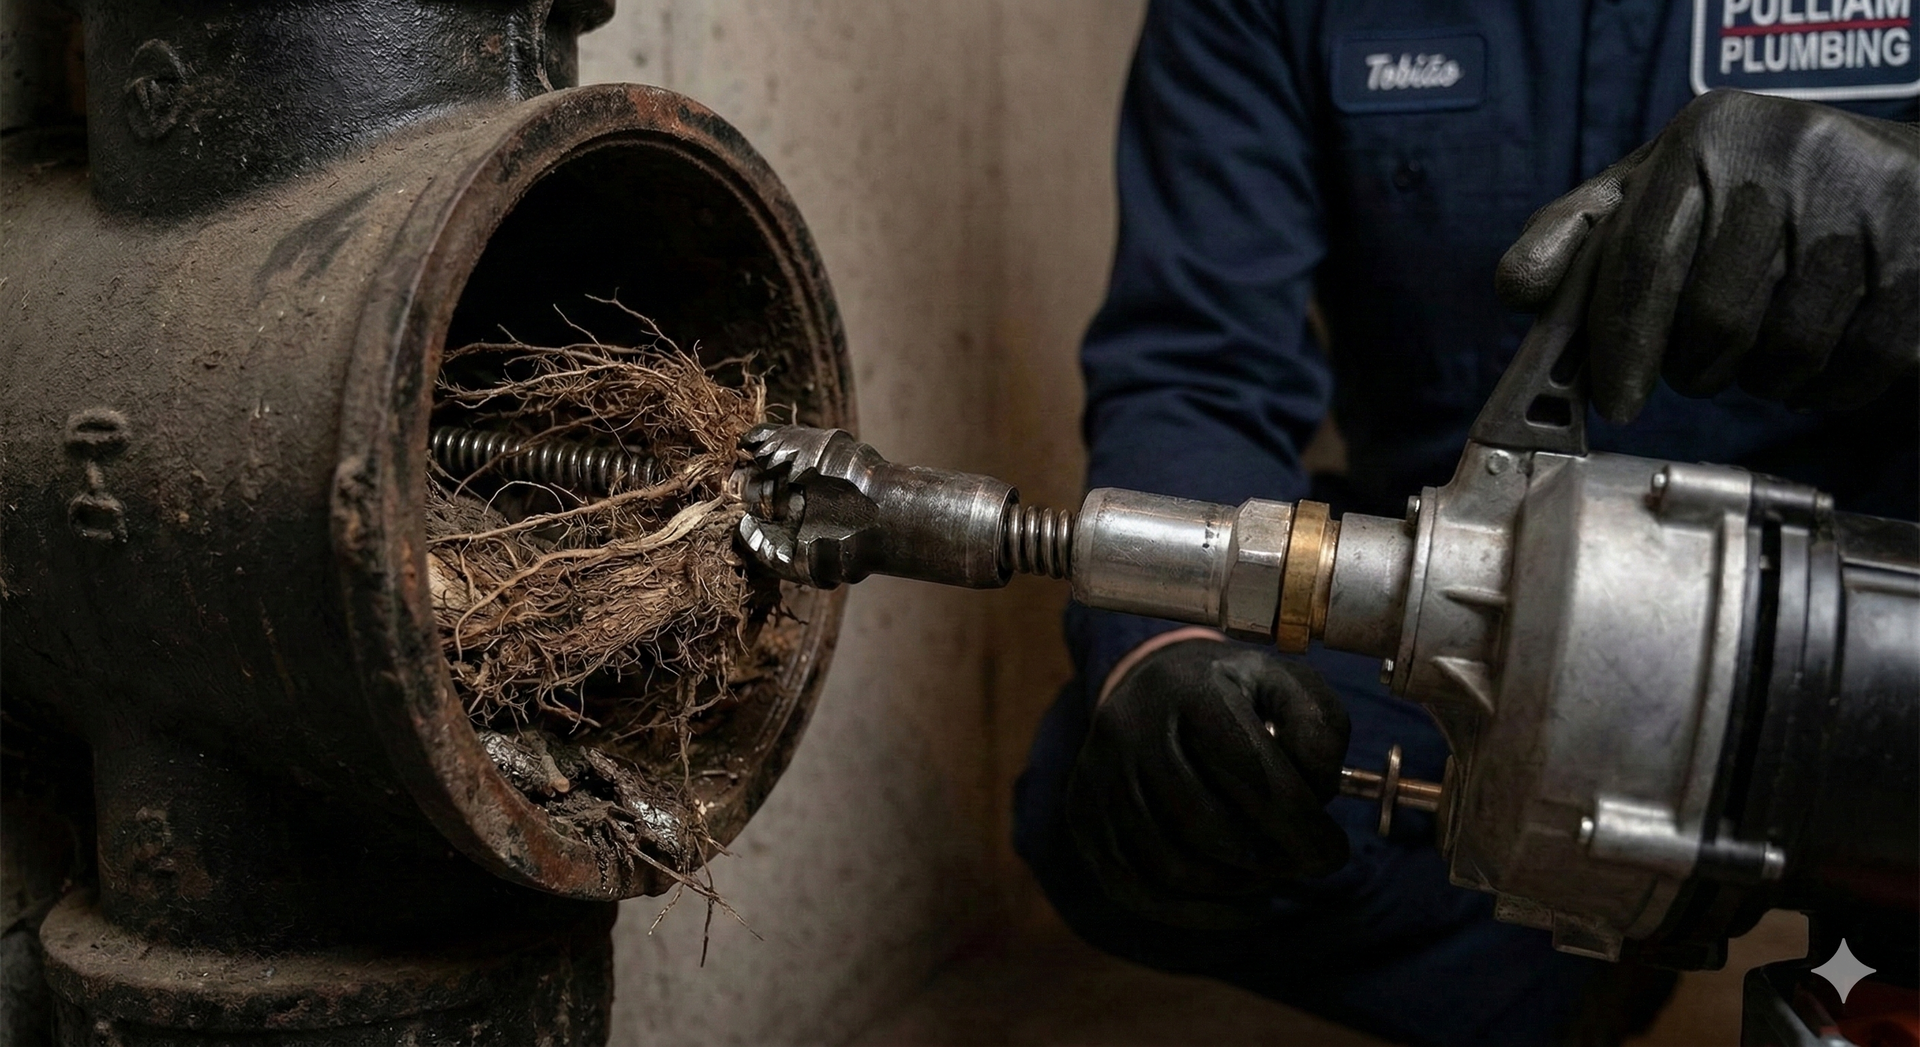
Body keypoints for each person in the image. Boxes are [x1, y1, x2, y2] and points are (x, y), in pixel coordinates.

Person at [1013, 2, 1920, 1044]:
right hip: (1483, 650)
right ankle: (1560, 964)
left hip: (1869, 644)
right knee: (1133, 797)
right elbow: (1198, 370)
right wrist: (1164, 645)